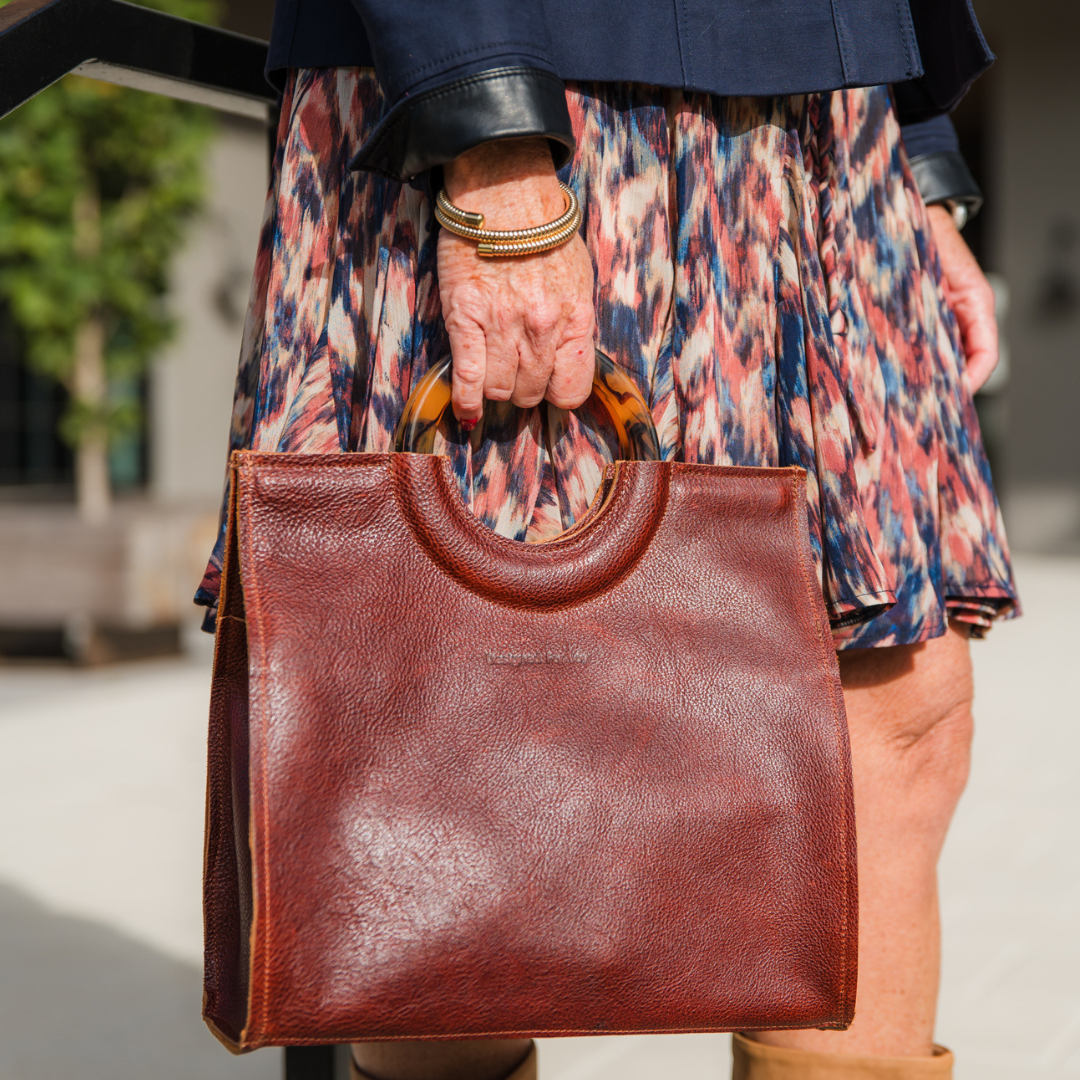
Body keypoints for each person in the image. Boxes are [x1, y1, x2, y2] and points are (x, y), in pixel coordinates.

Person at [196, 1, 1019, 1077]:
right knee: (444, 738)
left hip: (828, 127)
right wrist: (485, 131)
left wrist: (912, 153)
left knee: (895, 717)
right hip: (522, 110)